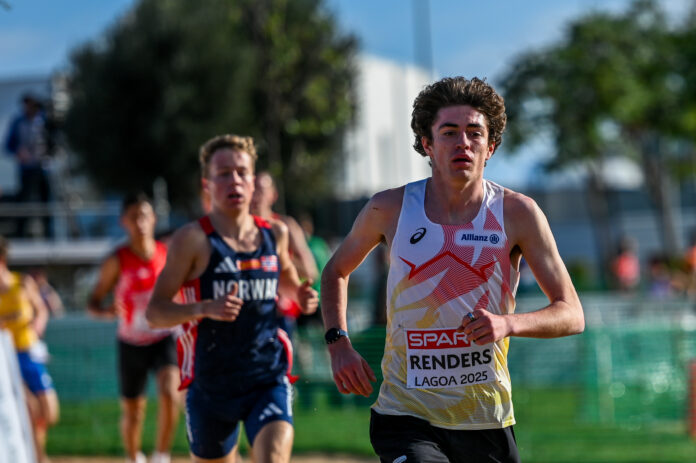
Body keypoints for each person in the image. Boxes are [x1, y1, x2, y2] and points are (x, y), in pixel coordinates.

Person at [321, 77, 585, 463]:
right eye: (449, 132)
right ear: (427, 144)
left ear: (490, 147)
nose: (463, 142)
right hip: (405, 415)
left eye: (474, 133)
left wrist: (507, 324)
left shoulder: (517, 213)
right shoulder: (389, 208)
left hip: (485, 418)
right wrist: (338, 343)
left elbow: (572, 313)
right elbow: (335, 272)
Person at [146, 134, 318, 463]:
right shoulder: (191, 239)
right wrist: (204, 308)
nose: (234, 180)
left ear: (253, 182)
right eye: (224, 173)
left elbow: (287, 281)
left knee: (272, 457)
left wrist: (301, 294)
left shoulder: (275, 234)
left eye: (242, 172)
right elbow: (155, 312)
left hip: (266, 376)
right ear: (207, 184)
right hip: (210, 384)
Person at [87, 193, 180, 463]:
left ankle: (161, 455)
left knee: (170, 393)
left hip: (164, 336)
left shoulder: (167, 254)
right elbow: (93, 302)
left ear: (154, 219)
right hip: (131, 342)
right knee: (133, 411)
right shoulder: (117, 260)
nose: (140, 223)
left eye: (144, 216)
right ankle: (133, 457)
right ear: (123, 222)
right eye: (133, 217)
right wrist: (106, 312)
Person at [0, 235, 60, 463]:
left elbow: (41, 310)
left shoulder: (22, 283)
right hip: (6, 361)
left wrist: (38, 324)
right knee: (29, 409)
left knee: (49, 413)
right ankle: (38, 457)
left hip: (29, 353)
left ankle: (36, 452)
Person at [251, 171, 319, 336]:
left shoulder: (285, 226)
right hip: (249, 313)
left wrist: (277, 257)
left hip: (281, 316)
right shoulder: (238, 229)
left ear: (273, 195)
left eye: (261, 190)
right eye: (253, 189)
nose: (255, 195)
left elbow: (310, 271)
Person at [3, 93, 53, 238]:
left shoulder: (44, 121)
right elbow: (8, 145)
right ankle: (21, 234)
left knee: (45, 201)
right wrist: (18, 152)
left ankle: (48, 233)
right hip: (26, 169)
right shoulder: (18, 122)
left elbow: (53, 141)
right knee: (24, 201)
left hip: (43, 168)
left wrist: (48, 152)